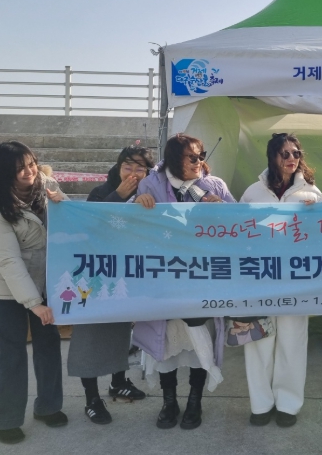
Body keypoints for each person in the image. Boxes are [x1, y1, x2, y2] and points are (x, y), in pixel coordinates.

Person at [132, 133, 235, 430]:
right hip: (163, 280)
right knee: (164, 342)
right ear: (175, 158)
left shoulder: (215, 185)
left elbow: (239, 224)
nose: (199, 161)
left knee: (198, 342)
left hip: (201, 279)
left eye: (201, 155)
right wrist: (137, 202)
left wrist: (224, 209)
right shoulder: (151, 184)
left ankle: (194, 402)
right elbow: (133, 225)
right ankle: (169, 402)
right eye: (192, 156)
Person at [239, 132, 322, 427]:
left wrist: (315, 216)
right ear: (272, 156)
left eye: (296, 153)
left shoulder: (312, 193)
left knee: (292, 342)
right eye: (284, 153)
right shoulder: (253, 193)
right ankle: (260, 404)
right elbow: (238, 234)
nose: (291, 159)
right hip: (258, 279)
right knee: (258, 342)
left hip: (295, 280)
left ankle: (288, 404)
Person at [0, 141, 68, 444]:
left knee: (49, 344)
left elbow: (68, 222)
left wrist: (62, 202)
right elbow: (8, 259)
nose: (29, 171)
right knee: (12, 351)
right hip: (8, 287)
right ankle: (5, 420)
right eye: (20, 168)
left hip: (45, 281)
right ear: (5, 172)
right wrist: (34, 303)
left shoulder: (48, 185)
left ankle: (48, 407)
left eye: (31, 164)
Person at [67, 145, 155, 425]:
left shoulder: (149, 195)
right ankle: (91, 398)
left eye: (140, 168)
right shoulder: (101, 192)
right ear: (118, 168)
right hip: (96, 277)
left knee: (121, 333)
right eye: (128, 166)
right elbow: (89, 225)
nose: (133, 173)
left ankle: (119, 382)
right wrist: (118, 196)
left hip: (127, 276)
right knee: (90, 337)